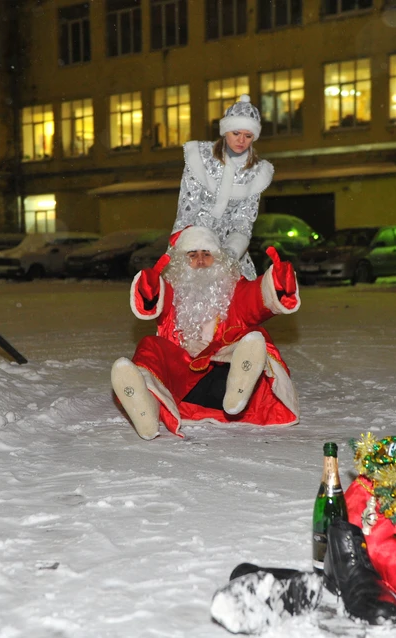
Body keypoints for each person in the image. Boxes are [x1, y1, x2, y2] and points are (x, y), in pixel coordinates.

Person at [110, 225, 299, 440]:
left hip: (223, 382)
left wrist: (277, 283)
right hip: (182, 389)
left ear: (219, 259)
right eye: (192, 255)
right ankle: (146, 408)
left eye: (207, 254)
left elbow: (255, 298)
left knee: (254, 337)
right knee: (150, 345)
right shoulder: (173, 291)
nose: (200, 261)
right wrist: (150, 290)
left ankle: (239, 389)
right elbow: (156, 298)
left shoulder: (233, 288)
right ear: (181, 262)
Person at [173, 95, 274, 281]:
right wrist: (194, 247)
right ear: (225, 130)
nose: (241, 140)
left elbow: (244, 220)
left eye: (248, 135)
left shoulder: (257, 172)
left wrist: (229, 253)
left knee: (236, 303)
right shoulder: (199, 159)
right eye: (236, 133)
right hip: (195, 248)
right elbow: (187, 208)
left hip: (230, 253)